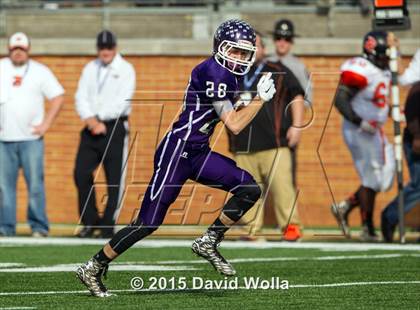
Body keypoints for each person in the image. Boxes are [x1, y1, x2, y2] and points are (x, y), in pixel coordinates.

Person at [76, 19, 275, 297]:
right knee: (148, 222)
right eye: (235, 51)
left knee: (248, 188)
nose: (240, 58)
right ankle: (94, 266)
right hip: (177, 152)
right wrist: (259, 100)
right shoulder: (214, 72)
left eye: (245, 53)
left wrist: (244, 100)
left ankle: (209, 240)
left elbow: (222, 107)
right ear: (220, 47)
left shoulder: (227, 74)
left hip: (198, 151)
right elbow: (235, 124)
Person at [229, 32, 305, 241]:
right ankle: (252, 231)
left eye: (256, 45)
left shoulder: (277, 70)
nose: (252, 50)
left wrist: (297, 126)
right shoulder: (232, 73)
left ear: (263, 49)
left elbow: (297, 94)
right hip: (243, 145)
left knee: (283, 189)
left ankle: (291, 228)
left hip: (275, 143)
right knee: (247, 191)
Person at [330, 31, 396, 242]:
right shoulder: (361, 68)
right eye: (384, 53)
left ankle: (346, 205)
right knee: (371, 177)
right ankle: (367, 227)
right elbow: (340, 99)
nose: (387, 58)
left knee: (384, 178)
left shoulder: (382, 68)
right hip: (358, 129)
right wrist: (360, 121)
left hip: (376, 130)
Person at [0, 32, 64, 236]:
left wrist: (45, 124)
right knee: (3, 187)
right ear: (9, 50)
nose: (18, 53)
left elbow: (58, 97)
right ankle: (5, 227)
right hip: (3, 139)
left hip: (31, 139)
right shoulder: (1, 67)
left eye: (22, 49)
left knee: (35, 184)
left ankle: (38, 226)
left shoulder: (40, 71)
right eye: (14, 49)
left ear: (28, 50)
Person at [74, 30, 136, 239]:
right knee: (81, 173)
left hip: (114, 128)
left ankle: (108, 225)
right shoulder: (90, 68)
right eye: (102, 48)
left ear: (115, 48)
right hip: (92, 127)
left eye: (109, 47)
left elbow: (123, 101)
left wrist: (100, 117)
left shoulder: (126, 69)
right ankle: (90, 222)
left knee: (114, 179)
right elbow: (80, 96)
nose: (105, 51)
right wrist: (91, 120)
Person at [268, 19, 312, 186]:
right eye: (279, 37)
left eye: (286, 39)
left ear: (292, 41)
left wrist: (296, 126)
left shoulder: (298, 67)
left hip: (285, 130)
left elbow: (305, 101)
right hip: (265, 129)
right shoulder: (265, 62)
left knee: (286, 180)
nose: (282, 42)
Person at [381, 81, 420, 242]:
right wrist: (417, 136)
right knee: (419, 185)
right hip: (415, 141)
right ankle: (390, 216)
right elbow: (411, 111)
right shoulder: (417, 89)